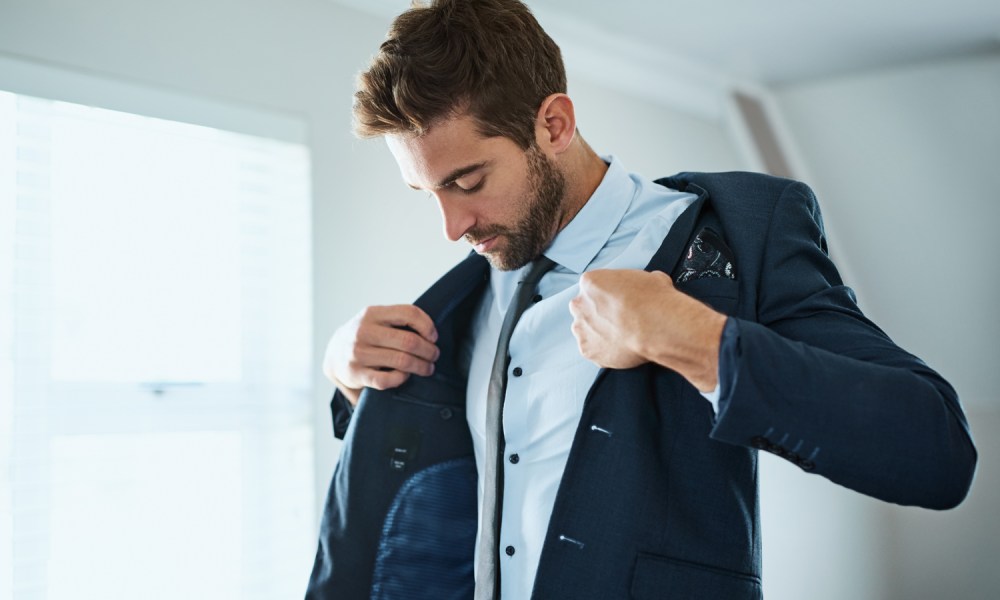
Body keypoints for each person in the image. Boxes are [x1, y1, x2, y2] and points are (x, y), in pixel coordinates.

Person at [305, 1, 977, 598]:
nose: (453, 227)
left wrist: (692, 337)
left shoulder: (742, 233)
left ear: (555, 124)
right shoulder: (465, 293)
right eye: (430, 195)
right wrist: (346, 374)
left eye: (469, 180)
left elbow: (935, 451)